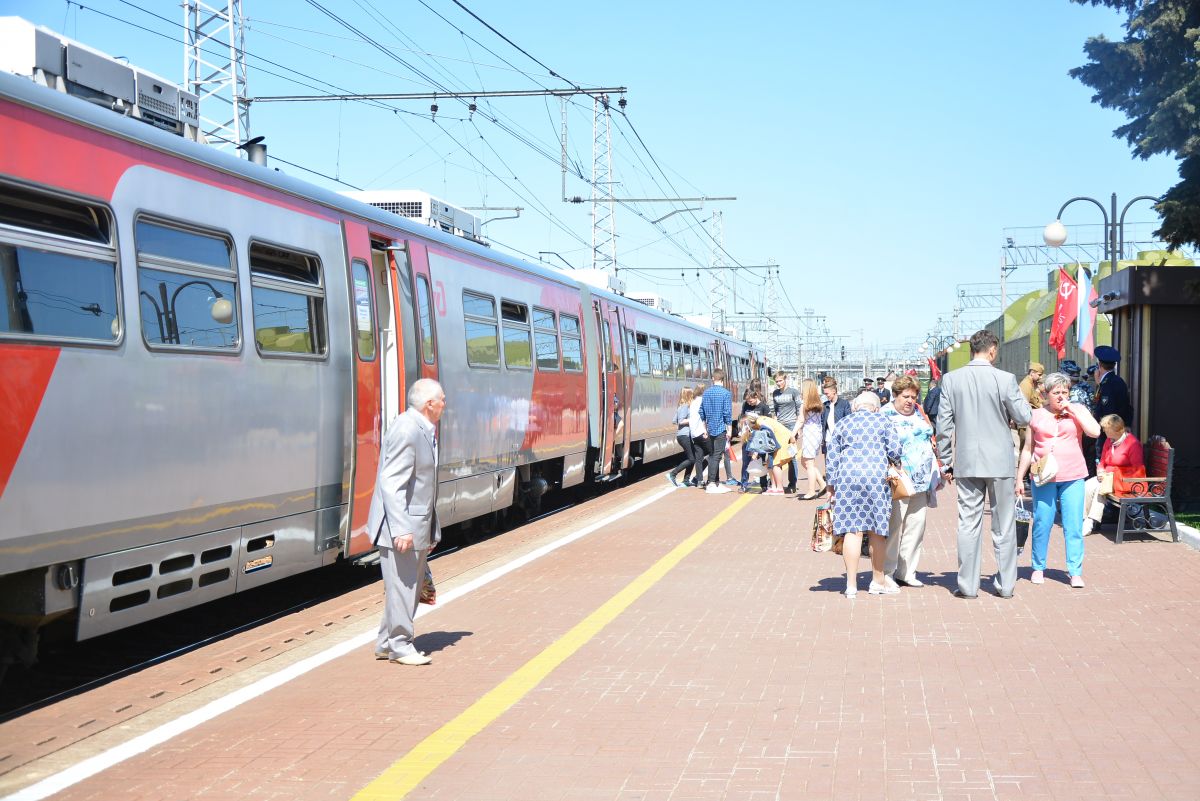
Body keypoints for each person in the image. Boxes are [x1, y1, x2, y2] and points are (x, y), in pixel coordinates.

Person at [935, 329, 1032, 599]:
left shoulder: (951, 380)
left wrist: (945, 461)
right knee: (1004, 524)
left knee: (968, 523)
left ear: (971, 350)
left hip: (966, 461)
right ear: (992, 350)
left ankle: (967, 586)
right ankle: (1006, 585)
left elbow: (943, 426)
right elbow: (1024, 416)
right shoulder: (1005, 379)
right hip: (1000, 461)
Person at [369, 378, 446, 666]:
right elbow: (391, 482)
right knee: (404, 589)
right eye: (442, 400)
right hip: (402, 529)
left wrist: (430, 527)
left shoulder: (421, 428)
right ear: (429, 404)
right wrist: (402, 528)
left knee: (404, 589)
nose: (444, 405)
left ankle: (386, 643)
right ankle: (400, 646)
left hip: (415, 525)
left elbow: (423, 485)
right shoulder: (408, 429)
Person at [1016, 372, 1101, 588]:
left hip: (1073, 476)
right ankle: (1038, 567)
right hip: (1043, 477)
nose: (1061, 396)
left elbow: (1095, 432)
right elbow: (1028, 449)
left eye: (1065, 391)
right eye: (1056, 392)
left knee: (1073, 524)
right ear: (1047, 394)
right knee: (1043, 522)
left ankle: (1075, 571)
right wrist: (1019, 479)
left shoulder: (1078, 411)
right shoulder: (1036, 415)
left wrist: (1072, 409)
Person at [827, 391, 902, 598]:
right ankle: (877, 581)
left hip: (848, 478)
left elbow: (832, 455)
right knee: (877, 530)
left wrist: (831, 484)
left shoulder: (843, 423)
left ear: (854, 407)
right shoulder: (883, 420)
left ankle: (851, 585)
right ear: (876, 408)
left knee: (853, 530)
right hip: (876, 478)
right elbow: (895, 450)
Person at [881, 374, 941, 587]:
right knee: (894, 526)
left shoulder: (919, 413)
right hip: (897, 481)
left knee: (916, 525)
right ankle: (887, 571)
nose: (909, 401)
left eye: (913, 397)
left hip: (922, 480)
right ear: (895, 395)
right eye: (905, 396)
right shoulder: (884, 416)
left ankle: (906, 571)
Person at [1082, 414, 1145, 534]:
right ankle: (1085, 518)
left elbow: (1138, 469)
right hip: (1108, 477)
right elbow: (1102, 462)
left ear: (1114, 430)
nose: (1104, 430)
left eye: (1106, 428)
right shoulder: (1109, 441)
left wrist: (1111, 474)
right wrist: (1100, 471)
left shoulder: (1132, 444)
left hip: (1126, 481)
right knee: (1087, 485)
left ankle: (1090, 521)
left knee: (1100, 489)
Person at [1093, 345, 1132, 457]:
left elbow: (1108, 411)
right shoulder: (1112, 381)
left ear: (1099, 364)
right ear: (1114, 365)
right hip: (1113, 432)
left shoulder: (1109, 383)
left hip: (1109, 433)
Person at [698, 369, 733, 494]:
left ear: (713, 379)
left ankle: (716, 481)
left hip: (710, 428)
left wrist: (705, 428)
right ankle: (711, 482)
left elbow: (701, 412)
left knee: (713, 455)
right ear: (723, 380)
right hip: (720, 428)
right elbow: (727, 413)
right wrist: (729, 429)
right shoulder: (726, 393)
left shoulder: (706, 393)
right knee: (717, 455)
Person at [743, 411, 794, 494]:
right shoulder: (761, 420)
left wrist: (773, 447)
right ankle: (774, 487)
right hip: (778, 439)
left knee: (775, 464)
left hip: (780, 440)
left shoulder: (760, 422)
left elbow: (770, 432)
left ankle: (779, 488)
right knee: (770, 464)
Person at [1062, 359, 1098, 476]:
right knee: (1089, 459)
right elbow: (1094, 405)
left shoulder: (1068, 391)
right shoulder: (1086, 387)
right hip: (1089, 428)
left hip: (1075, 430)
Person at [770, 372, 803, 493]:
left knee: (791, 455)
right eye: (777, 381)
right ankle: (777, 483)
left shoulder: (794, 392)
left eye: (780, 381)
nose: (778, 383)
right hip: (780, 426)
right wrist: (774, 424)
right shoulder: (775, 394)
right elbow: (774, 410)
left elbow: (800, 409)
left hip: (791, 426)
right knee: (778, 454)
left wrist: (798, 428)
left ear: (785, 379)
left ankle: (792, 483)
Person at [797, 378, 828, 499]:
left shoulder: (805, 403)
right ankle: (822, 483)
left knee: (809, 463)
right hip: (816, 433)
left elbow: (801, 420)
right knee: (805, 461)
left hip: (810, 434)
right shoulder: (817, 402)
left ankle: (811, 491)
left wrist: (793, 433)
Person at [739, 383, 772, 491]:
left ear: (756, 397)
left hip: (760, 438)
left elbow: (768, 422)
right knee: (745, 462)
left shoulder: (764, 407)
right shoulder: (745, 405)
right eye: (747, 401)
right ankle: (744, 484)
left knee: (761, 461)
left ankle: (763, 485)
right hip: (748, 436)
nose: (749, 403)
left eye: (750, 401)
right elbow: (742, 417)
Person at [667, 387, 698, 487]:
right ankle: (673, 474)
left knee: (693, 457)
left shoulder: (683, 406)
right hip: (684, 436)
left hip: (684, 435)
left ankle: (686, 480)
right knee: (691, 459)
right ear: (689, 395)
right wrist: (692, 419)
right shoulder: (684, 406)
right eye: (692, 394)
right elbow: (680, 421)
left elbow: (673, 420)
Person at [1017, 361, 1044, 453]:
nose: (1040, 377)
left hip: (1029, 422)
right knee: (1026, 449)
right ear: (1032, 373)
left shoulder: (1031, 384)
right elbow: (1024, 405)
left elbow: (1036, 400)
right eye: (1039, 375)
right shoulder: (1026, 385)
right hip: (1026, 424)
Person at [821, 376, 852, 455]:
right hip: (828, 440)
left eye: (827, 393)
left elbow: (849, 421)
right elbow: (822, 423)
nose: (826, 395)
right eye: (825, 394)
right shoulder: (824, 405)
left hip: (841, 440)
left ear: (834, 391)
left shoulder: (844, 404)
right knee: (828, 465)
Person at [687, 383, 708, 487]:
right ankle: (713, 480)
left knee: (698, 458)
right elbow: (705, 416)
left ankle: (699, 481)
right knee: (714, 454)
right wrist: (706, 430)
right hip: (702, 432)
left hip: (694, 434)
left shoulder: (693, 402)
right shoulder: (703, 401)